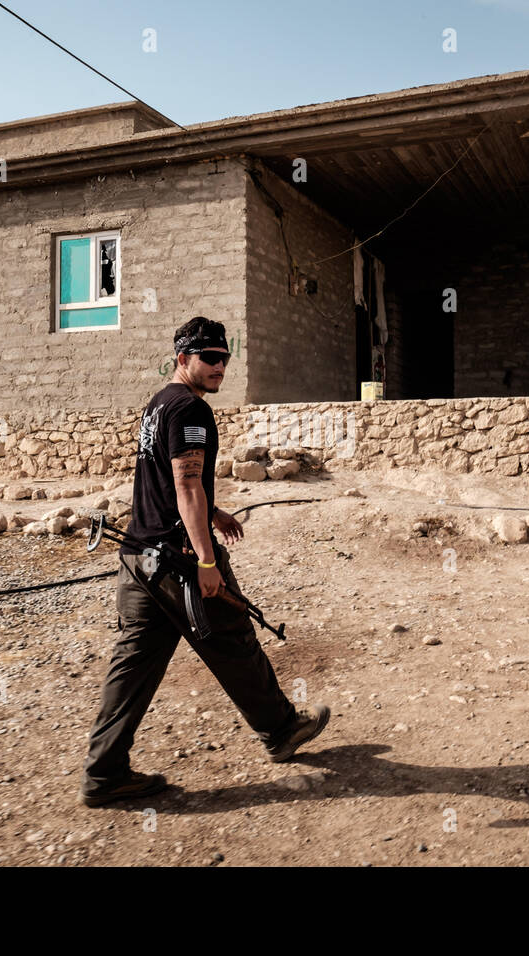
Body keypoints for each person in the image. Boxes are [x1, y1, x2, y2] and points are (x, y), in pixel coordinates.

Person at [81, 316, 330, 807]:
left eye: (224, 358)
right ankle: (280, 730)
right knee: (234, 638)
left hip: (138, 557)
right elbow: (187, 484)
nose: (219, 367)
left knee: (132, 666)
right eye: (208, 359)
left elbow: (169, 479)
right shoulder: (191, 411)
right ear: (182, 359)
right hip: (178, 564)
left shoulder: (159, 404)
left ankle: (104, 773)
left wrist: (213, 511)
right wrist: (206, 559)